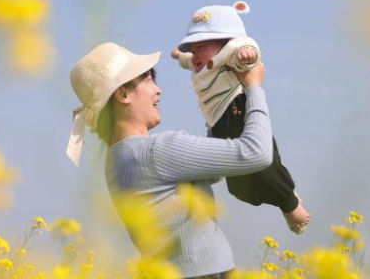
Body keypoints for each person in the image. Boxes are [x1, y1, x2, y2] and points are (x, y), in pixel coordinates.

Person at [66, 42, 273, 278]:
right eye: (147, 79)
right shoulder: (156, 151)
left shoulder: (116, 160)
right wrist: (254, 87)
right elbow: (257, 152)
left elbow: (211, 169)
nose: (158, 90)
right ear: (123, 94)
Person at [171, 2, 311, 234]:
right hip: (216, 125)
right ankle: (284, 193)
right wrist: (179, 55)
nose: (195, 54)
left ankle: (290, 204)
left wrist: (247, 54)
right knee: (238, 188)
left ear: (224, 42)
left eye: (201, 47)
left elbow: (247, 47)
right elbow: (187, 60)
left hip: (237, 111)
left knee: (262, 163)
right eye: (193, 49)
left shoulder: (230, 57)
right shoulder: (201, 64)